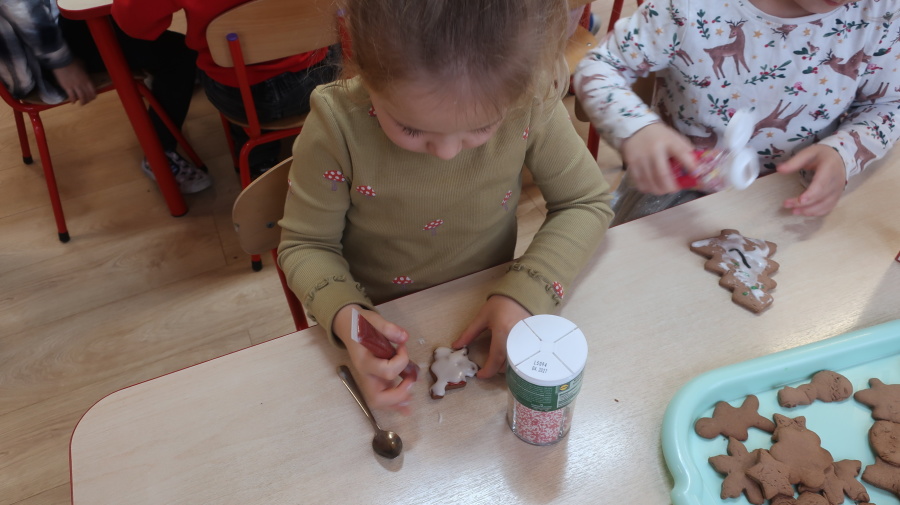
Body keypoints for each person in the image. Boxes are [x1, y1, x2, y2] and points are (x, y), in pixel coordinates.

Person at [277, 0, 614, 413]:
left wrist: (527, 293)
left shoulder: (530, 96)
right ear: (360, 60)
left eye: (481, 127)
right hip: (384, 315)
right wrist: (351, 321)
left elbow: (586, 201)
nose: (448, 152)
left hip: (485, 308)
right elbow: (306, 246)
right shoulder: (337, 126)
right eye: (411, 128)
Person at [574, 0, 900, 224]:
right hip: (677, 191)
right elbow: (599, 67)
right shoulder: (686, 7)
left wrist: (843, 153)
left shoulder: (881, 13)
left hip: (790, 196)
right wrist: (636, 127)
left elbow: (887, 104)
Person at [0, 0, 211, 194]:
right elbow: (22, 10)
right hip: (42, 58)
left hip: (50, 31)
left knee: (134, 18)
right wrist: (62, 63)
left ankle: (169, 78)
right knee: (180, 55)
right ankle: (159, 154)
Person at [111, 0, 339, 179]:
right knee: (338, 30)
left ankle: (258, 162)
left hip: (238, 95)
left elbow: (133, 24)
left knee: (224, 69)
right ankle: (336, 142)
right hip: (315, 82)